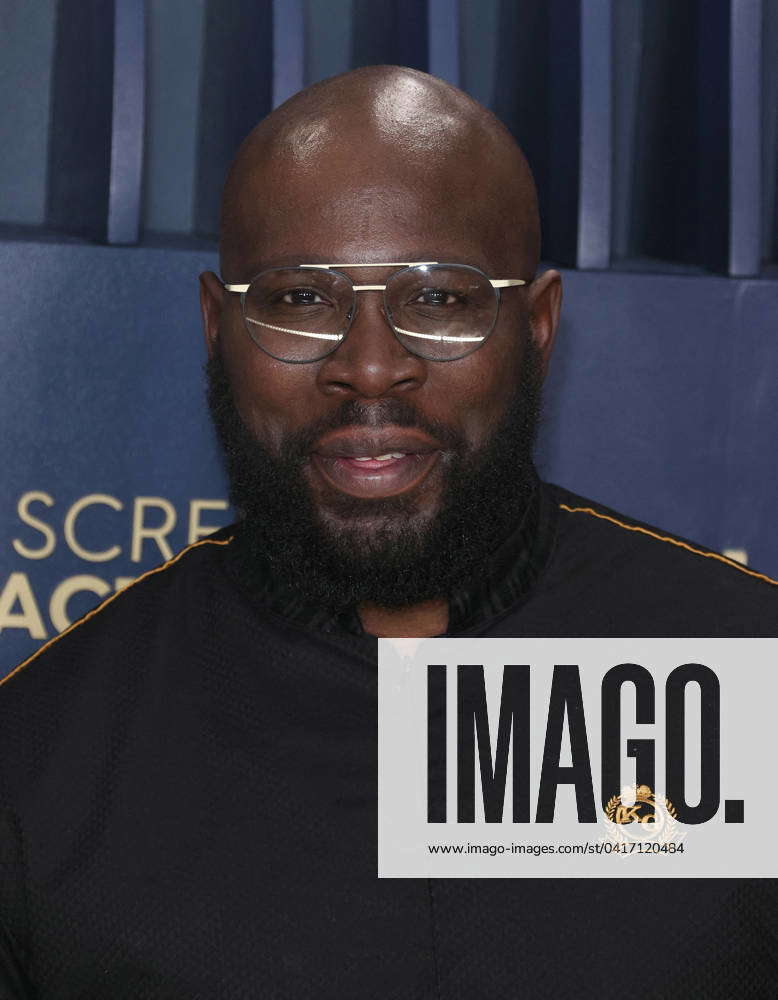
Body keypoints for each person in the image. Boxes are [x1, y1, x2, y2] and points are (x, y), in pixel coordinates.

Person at [0, 65, 776, 999]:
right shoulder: (46, 753)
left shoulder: (751, 678)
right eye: (300, 298)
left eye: (440, 299)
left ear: (537, 327)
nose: (369, 368)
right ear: (217, 327)